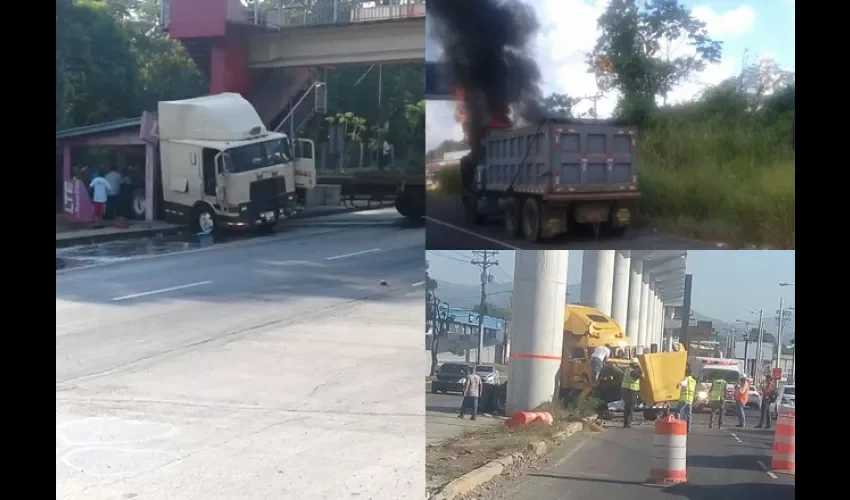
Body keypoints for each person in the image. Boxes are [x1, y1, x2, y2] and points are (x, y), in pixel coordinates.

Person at [620, 359, 642, 428]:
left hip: (627, 389)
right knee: (629, 406)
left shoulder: (628, 369)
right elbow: (638, 376)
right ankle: (627, 423)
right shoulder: (631, 371)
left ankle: (628, 421)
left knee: (629, 406)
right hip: (630, 390)